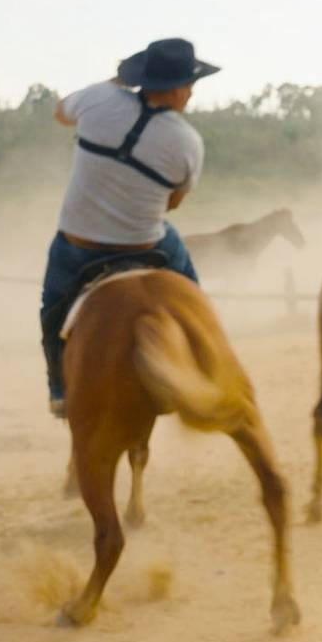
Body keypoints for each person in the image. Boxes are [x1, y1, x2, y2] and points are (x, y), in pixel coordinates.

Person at [41, 38, 215, 417]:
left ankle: (58, 388)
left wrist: (117, 82)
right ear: (175, 89)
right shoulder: (188, 141)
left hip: (77, 242)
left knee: (53, 308)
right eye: (189, 84)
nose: (190, 93)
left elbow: (60, 113)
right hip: (143, 244)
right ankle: (205, 364)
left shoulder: (99, 98)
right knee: (193, 293)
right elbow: (173, 202)